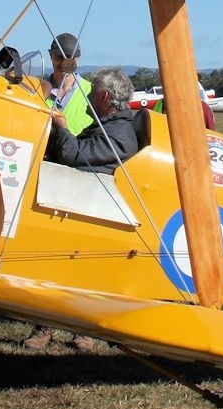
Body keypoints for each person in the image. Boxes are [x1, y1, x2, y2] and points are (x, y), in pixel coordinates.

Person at [24, 66, 140, 352]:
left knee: (75, 270)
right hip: (83, 204)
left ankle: (79, 329)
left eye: (92, 92)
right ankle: (49, 324)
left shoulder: (120, 133)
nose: (87, 96)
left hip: (99, 214)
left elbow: (76, 155)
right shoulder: (108, 124)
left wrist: (62, 128)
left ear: (103, 97)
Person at [45, 33, 93, 137]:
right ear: (50, 54)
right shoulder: (37, 91)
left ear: (77, 59)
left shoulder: (92, 93)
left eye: (69, 58)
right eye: (60, 57)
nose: (64, 63)